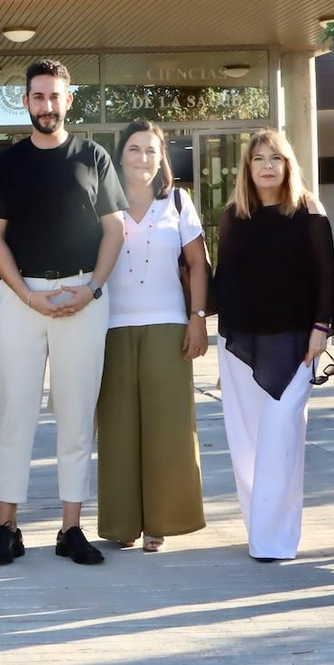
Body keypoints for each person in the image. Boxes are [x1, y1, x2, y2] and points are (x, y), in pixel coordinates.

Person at [0, 58, 126, 568]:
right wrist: (26, 295)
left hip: (82, 296)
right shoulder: (7, 163)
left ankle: (70, 528)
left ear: (69, 99)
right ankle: (6, 528)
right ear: (26, 102)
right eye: (38, 97)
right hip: (22, 298)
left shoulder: (93, 156)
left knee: (76, 416)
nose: (46, 105)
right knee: (15, 414)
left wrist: (93, 288)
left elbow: (115, 229)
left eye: (54, 96)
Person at [211, 128, 334, 562]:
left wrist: (321, 328)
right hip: (240, 345)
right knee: (246, 442)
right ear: (247, 168)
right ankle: (259, 530)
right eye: (259, 159)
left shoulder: (308, 210)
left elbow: (326, 275)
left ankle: (277, 539)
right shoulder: (233, 216)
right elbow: (224, 282)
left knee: (281, 436)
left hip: (296, 344)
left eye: (276, 158)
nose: (267, 166)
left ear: (288, 165)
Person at [95, 119, 209, 553]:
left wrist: (197, 318)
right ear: (120, 154)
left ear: (162, 158)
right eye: (134, 148)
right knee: (117, 429)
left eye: (151, 150)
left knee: (169, 430)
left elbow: (197, 264)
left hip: (168, 325)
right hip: (110, 327)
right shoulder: (100, 201)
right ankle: (122, 523)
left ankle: (161, 521)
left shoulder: (178, 202)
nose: (143, 157)